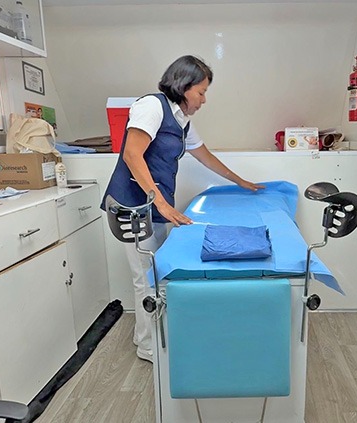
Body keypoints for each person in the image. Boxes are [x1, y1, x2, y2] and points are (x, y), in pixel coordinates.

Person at [101, 55, 264, 363]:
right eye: (201, 92)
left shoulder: (182, 121)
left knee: (158, 273)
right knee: (146, 277)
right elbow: (132, 155)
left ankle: (148, 335)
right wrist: (162, 204)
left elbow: (205, 157)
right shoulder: (151, 106)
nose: (203, 100)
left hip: (156, 206)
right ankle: (148, 346)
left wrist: (241, 181)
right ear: (183, 86)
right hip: (133, 207)